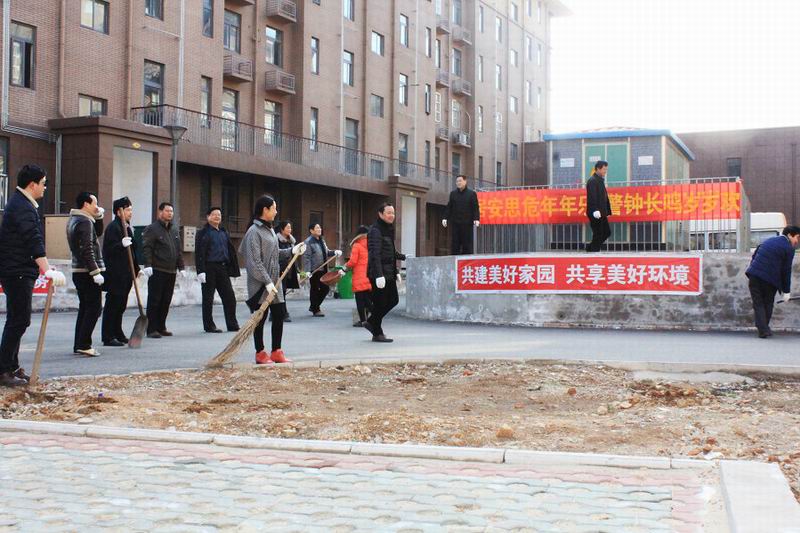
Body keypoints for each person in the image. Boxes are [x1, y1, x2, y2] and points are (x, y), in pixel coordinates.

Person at [0, 165, 67, 386]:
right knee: (19, 320)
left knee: (17, 319)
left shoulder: (21, 204)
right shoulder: (22, 207)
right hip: (16, 271)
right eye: (43, 183)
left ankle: (11, 367)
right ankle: (4, 369)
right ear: (32, 184)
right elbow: (32, 239)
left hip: (17, 269)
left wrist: (45, 267)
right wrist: (46, 269)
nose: (45, 188)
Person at [240, 195, 306, 364]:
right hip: (260, 284)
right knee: (260, 318)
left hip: (275, 282)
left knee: (279, 314)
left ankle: (276, 351)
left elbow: (275, 254)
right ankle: (260, 353)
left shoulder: (269, 230)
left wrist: (292, 251)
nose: (276, 212)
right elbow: (254, 262)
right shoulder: (253, 232)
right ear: (265, 210)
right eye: (274, 208)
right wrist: (267, 281)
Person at [67, 192, 106, 357]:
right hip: (87, 272)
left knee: (85, 308)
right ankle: (84, 344)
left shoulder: (76, 219)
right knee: (94, 308)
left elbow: (97, 233)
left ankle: (79, 343)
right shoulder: (84, 222)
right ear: (86, 204)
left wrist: (99, 216)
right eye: (94, 203)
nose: (97, 207)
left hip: (79, 271)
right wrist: (95, 272)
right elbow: (87, 248)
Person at [141, 202, 186, 338]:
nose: (170, 213)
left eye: (171, 211)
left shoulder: (174, 230)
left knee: (166, 300)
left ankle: (161, 326)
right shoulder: (152, 229)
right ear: (160, 212)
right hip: (158, 269)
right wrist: (148, 265)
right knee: (155, 300)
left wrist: (181, 267)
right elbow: (147, 248)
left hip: (171, 271)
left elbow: (178, 251)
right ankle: (151, 328)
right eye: (167, 211)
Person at [745, 225, 799, 338]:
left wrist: (754, 270)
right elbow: (786, 270)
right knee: (767, 303)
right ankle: (764, 330)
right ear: (790, 235)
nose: (797, 241)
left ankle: (763, 328)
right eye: (797, 237)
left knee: (758, 303)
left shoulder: (768, 241)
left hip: (754, 276)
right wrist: (786, 291)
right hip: (770, 280)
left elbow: (754, 256)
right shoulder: (789, 249)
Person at [365, 203, 406, 342]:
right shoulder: (375, 230)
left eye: (393, 213)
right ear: (381, 214)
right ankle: (377, 332)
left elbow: (390, 251)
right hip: (379, 274)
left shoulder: (388, 229)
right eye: (388, 213)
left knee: (393, 300)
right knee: (380, 303)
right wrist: (378, 275)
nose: (391, 215)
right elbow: (374, 254)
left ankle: (372, 322)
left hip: (389, 272)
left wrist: (397, 268)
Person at [196, 207, 240, 333]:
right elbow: (199, 252)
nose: (217, 217)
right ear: (208, 217)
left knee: (230, 297)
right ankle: (209, 325)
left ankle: (232, 324)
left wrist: (232, 268)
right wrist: (200, 271)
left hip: (223, 268)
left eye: (219, 215)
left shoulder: (223, 232)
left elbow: (230, 251)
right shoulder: (203, 233)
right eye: (214, 214)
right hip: (209, 267)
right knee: (208, 298)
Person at [101, 196, 138, 347]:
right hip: (116, 274)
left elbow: (133, 251)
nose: (130, 213)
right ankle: (108, 335)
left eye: (131, 210)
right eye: (128, 210)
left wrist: (136, 269)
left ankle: (118, 332)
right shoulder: (113, 228)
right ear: (119, 211)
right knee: (113, 305)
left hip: (126, 273)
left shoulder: (127, 227)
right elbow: (108, 250)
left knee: (121, 305)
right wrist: (120, 245)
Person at [302, 223, 342, 317]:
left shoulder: (321, 240)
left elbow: (326, 252)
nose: (319, 229)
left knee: (325, 288)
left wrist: (334, 252)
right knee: (315, 289)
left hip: (323, 269)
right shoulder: (308, 242)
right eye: (317, 228)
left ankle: (314, 306)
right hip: (314, 270)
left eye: (320, 227)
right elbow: (306, 257)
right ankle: (316, 309)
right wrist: (307, 271)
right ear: (311, 230)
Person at [442, 175, 481, 255]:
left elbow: (475, 207)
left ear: (465, 181)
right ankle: (455, 260)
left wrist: (476, 219)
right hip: (455, 223)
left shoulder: (471, 194)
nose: (458, 183)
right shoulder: (453, 194)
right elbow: (449, 206)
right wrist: (445, 217)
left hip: (467, 223)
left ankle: (467, 261)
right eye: (457, 181)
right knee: (455, 244)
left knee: (467, 244)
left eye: (460, 181)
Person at [344, 226, 372, 327]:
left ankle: (363, 321)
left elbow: (353, 262)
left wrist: (345, 267)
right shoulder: (371, 244)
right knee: (368, 300)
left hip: (359, 276)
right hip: (370, 276)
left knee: (360, 301)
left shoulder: (357, 245)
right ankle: (374, 318)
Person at [586, 160, 613, 252]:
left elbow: (604, 197)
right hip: (595, 212)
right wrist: (595, 210)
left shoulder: (600, 180)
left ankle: (590, 248)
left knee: (606, 232)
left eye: (606, 169)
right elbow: (592, 197)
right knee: (598, 233)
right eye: (604, 169)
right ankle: (594, 251)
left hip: (602, 211)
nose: (605, 171)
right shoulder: (592, 181)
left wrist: (607, 210)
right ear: (598, 169)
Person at [276, 220, 300, 322]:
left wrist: (297, 271)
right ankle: (283, 313)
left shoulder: (291, 241)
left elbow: (294, 257)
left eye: (290, 227)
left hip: (289, 270)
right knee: (281, 291)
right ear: (282, 229)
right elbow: (277, 253)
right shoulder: (276, 240)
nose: (290, 229)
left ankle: (274, 314)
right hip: (279, 269)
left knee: (283, 291)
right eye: (288, 227)